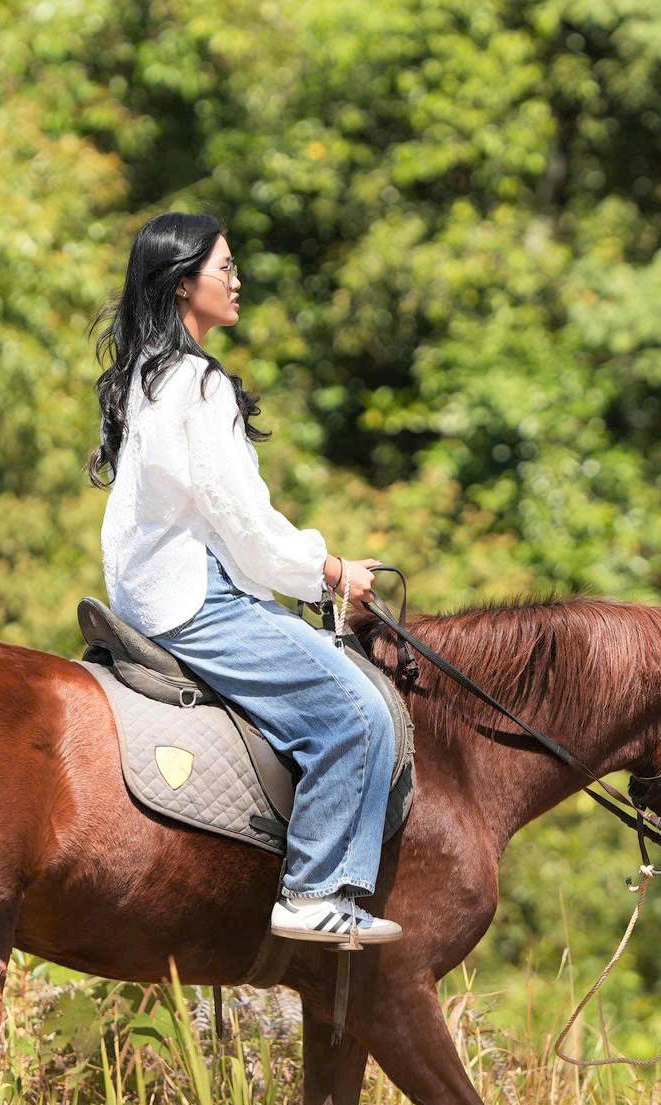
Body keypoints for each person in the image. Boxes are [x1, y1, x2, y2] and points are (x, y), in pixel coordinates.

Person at [90, 211, 403, 945]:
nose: (237, 281)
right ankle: (315, 889)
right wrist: (328, 571)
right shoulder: (197, 384)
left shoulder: (146, 376)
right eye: (224, 268)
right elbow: (243, 521)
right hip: (201, 599)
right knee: (357, 716)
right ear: (180, 284)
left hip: (155, 593)